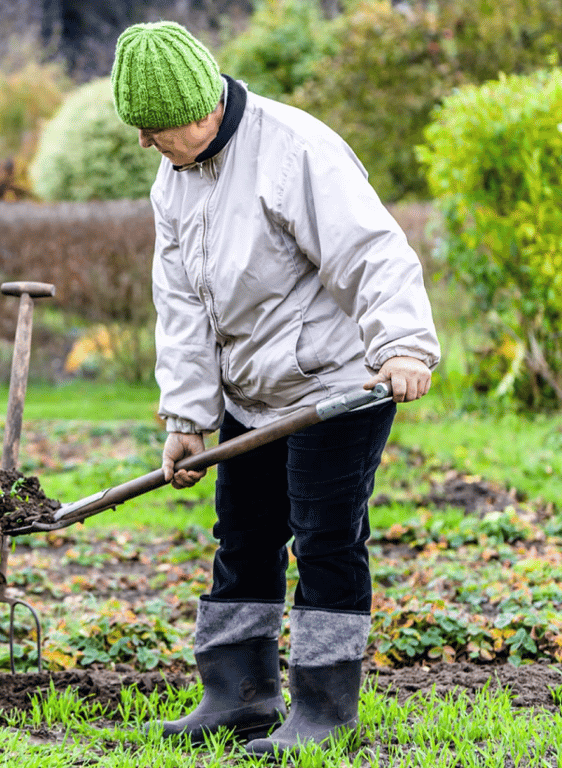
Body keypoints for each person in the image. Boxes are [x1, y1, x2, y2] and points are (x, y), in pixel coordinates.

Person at [109, 21, 440, 756]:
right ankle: (238, 696)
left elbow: (371, 252)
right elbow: (183, 303)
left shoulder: (296, 151)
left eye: (156, 131)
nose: (148, 146)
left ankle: (323, 711)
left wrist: (404, 346)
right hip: (253, 393)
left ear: (201, 110)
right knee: (246, 535)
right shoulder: (177, 178)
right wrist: (188, 417)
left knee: (324, 540)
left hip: (337, 384)